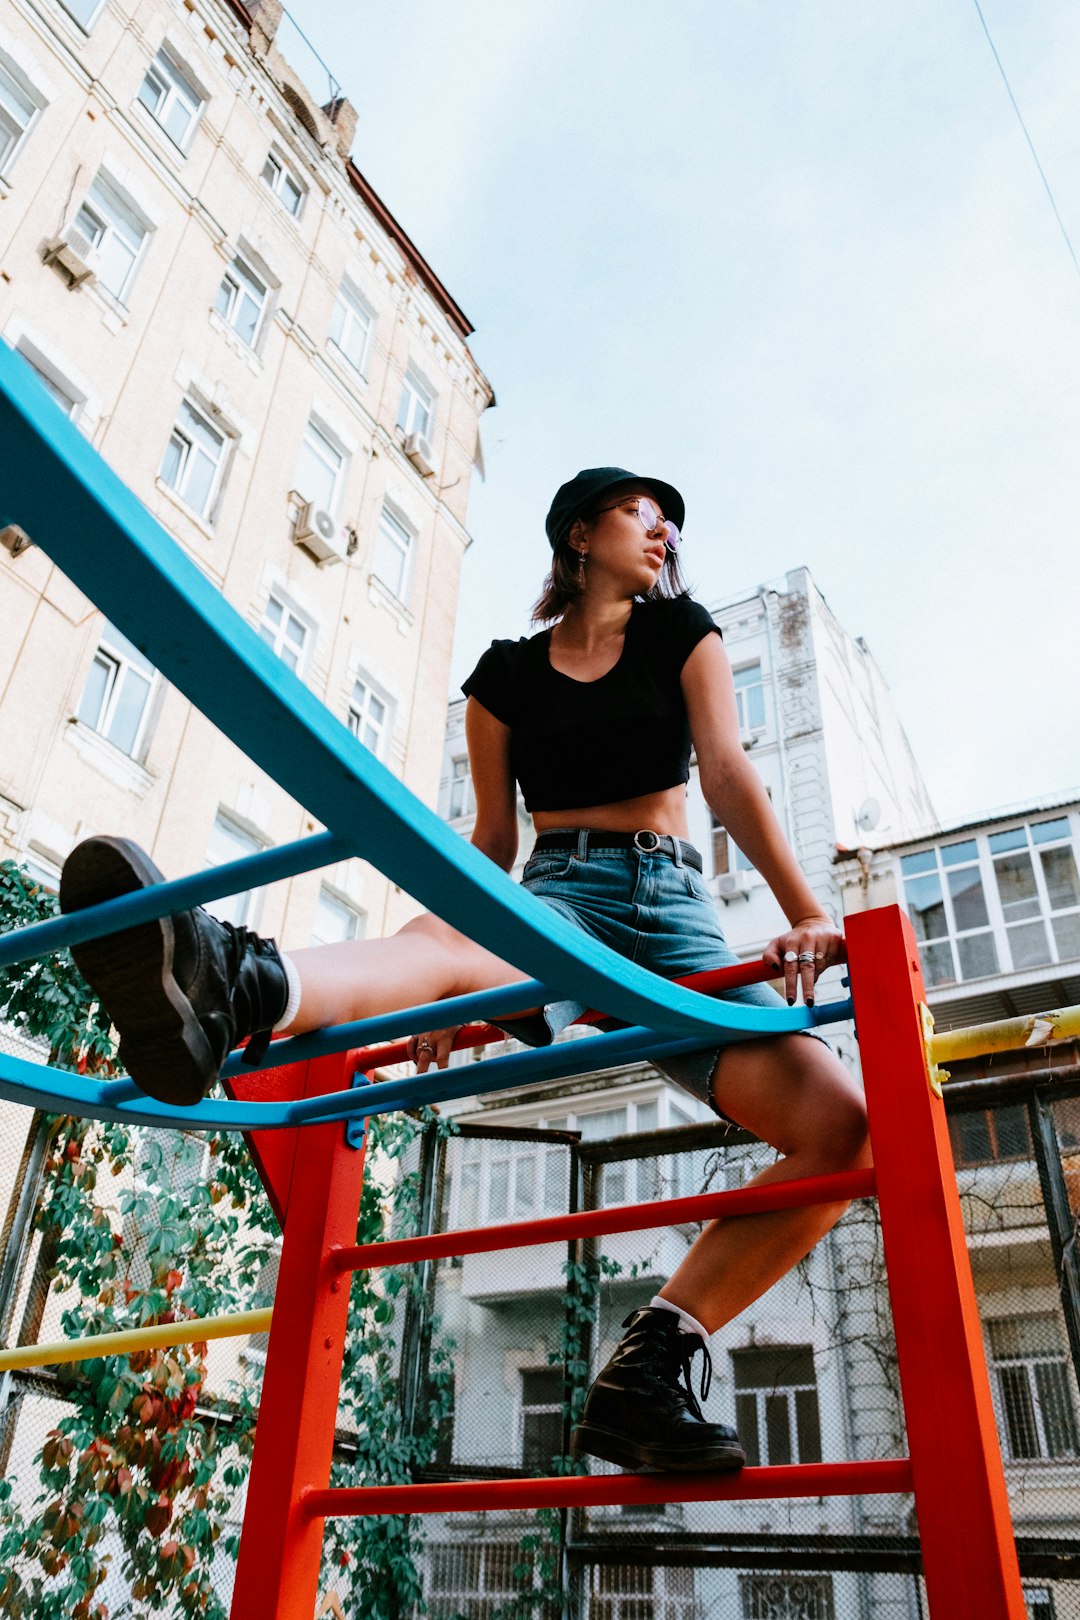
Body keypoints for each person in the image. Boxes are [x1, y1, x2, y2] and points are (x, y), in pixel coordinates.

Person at [59, 466, 870, 1476]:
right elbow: (488, 845)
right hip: (560, 893)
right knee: (444, 948)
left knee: (840, 1127)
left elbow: (728, 769)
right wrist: (444, 981)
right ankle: (237, 985)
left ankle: (652, 1366)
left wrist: (802, 909)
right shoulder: (507, 677)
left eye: (672, 521)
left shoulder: (680, 633)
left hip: (675, 912)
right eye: (639, 512)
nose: (664, 531)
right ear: (579, 533)